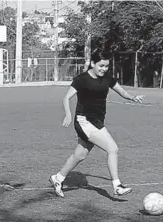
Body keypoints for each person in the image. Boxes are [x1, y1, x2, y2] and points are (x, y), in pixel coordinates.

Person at [49, 50, 144, 198]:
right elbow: (66, 98)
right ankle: (117, 185)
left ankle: (58, 178)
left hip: (97, 121)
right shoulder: (82, 79)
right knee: (112, 148)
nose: (104, 69)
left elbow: (121, 91)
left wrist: (133, 98)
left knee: (80, 155)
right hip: (84, 121)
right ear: (93, 63)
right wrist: (68, 114)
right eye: (101, 66)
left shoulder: (107, 78)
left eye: (106, 66)